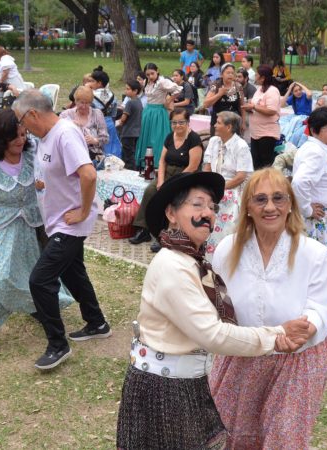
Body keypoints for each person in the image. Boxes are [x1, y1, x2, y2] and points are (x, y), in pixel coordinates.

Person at [116, 171, 304, 450]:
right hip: (164, 390)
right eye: (198, 204)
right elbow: (212, 334)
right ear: (171, 212)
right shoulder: (172, 267)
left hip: (182, 383)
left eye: (212, 207)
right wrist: (275, 336)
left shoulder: (192, 262)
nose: (208, 214)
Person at [210, 168, 327, 449]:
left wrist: (306, 329)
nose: (270, 207)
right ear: (248, 208)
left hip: (296, 360)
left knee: (282, 438)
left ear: (290, 205)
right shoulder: (227, 249)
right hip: (244, 354)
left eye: (278, 198)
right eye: (260, 199)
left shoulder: (313, 253)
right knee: (231, 432)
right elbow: (218, 304)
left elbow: (321, 307)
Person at [0, 109, 73, 356]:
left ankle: (37, 308)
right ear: (1, 139)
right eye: (15, 137)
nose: (21, 140)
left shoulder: (32, 157)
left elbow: (51, 177)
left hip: (32, 225)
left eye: (24, 134)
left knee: (35, 272)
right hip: (0, 226)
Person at [14, 90, 111, 370]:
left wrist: (82, 210)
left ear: (32, 114)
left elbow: (89, 173)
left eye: (22, 121)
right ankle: (97, 322)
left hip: (69, 225)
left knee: (40, 280)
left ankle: (58, 344)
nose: (22, 128)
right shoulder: (45, 137)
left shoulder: (65, 134)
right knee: (73, 272)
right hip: (56, 220)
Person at [291, 107, 327, 327]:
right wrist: (306, 209)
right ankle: (316, 316)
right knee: (318, 270)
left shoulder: (321, 150)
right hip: (319, 222)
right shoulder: (315, 152)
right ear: (315, 130)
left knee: (321, 268)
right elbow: (299, 183)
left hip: (326, 220)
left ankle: (322, 316)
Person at [130, 108, 203, 251]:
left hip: (185, 176)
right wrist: (161, 181)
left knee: (170, 198)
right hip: (168, 172)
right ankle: (144, 229)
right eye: (174, 122)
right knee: (150, 191)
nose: (177, 125)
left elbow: (193, 166)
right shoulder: (170, 137)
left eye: (181, 122)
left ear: (188, 122)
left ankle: (165, 235)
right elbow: (162, 161)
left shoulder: (194, 139)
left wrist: (170, 184)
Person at [202, 111, 253, 259]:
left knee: (224, 203)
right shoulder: (214, 141)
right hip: (214, 184)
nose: (214, 125)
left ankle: (222, 255)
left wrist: (219, 187)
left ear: (229, 127)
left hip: (233, 188)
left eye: (218, 122)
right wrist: (207, 184)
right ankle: (204, 253)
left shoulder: (241, 146)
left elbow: (241, 176)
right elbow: (207, 165)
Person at [134, 63, 182, 169]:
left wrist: (169, 99)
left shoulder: (162, 82)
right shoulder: (147, 82)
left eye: (152, 73)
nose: (150, 76)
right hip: (148, 111)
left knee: (158, 137)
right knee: (146, 136)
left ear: (157, 71)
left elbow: (178, 89)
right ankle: (144, 161)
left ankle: (158, 162)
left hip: (159, 112)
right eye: (147, 74)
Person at [242, 64, 281, 169]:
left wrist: (253, 107)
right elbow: (256, 107)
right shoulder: (259, 89)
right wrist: (250, 108)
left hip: (266, 133)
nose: (255, 77)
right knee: (255, 161)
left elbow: (271, 110)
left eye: (257, 75)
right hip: (256, 133)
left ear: (263, 78)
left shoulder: (272, 91)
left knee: (265, 163)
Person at [59, 85, 108, 164]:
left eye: (87, 103)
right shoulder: (66, 115)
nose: (84, 106)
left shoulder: (97, 114)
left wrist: (94, 140)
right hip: (71, 156)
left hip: (93, 157)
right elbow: (59, 136)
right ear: (75, 101)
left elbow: (105, 138)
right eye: (81, 102)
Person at [87, 67, 121, 158]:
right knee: (112, 146)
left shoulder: (91, 95)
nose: (90, 83)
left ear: (99, 83)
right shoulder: (112, 95)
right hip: (110, 123)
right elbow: (114, 112)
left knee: (100, 147)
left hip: (97, 124)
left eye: (92, 81)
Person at [203, 63, 244, 137]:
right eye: (228, 73)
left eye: (232, 73)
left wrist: (243, 122)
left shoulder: (238, 86)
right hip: (218, 122)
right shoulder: (216, 85)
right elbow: (206, 104)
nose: (230, 75)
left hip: (233, 123)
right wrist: (219, 94)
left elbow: (242, 106)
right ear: (221, 75)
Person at [115, 80, 142, 170]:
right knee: (132, 153)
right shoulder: (139, 101)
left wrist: (117, 123)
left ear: (135, 91)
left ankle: (130, 171)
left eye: (128, 89)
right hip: (136, 132)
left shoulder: (130, 103)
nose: (125, 91)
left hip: (128, 132)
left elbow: (123, 118)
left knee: (127, 155)